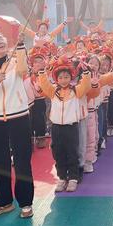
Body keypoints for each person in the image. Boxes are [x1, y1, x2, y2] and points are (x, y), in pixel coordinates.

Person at [0, 32, 34, 218]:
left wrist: (20, 47)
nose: (0, 40)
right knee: (0, 162)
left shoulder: (15, 62)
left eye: (1, 38)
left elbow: (24, 70)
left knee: (22, 160)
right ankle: (4, 202)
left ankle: (26, 202)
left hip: (19, 117)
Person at [38, 56, 92, 192]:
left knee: (72, 152)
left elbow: (86, 85)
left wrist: (86, 73)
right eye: (60, 77)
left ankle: (73, 178)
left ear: (71, 77)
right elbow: (44, 84)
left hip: (71, 127)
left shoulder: (75, 91)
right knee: (58, 152)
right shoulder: (53, 91)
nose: (63, 80)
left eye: (66, 77)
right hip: (56, 127)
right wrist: (41, 72)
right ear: (56, 79)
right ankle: (62, 177)